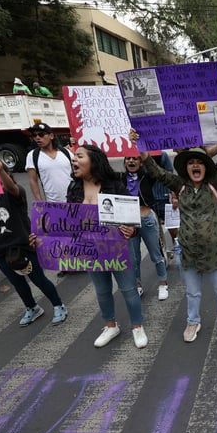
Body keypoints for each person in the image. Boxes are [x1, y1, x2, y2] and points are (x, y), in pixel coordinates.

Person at [136, 120, 217, 343]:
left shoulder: (215, 184)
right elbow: (155, 172)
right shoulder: (179, 185)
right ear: (186, 168)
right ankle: (193, 321)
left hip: (214, 252)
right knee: (192, 293)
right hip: (188, 253)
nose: (195, 165)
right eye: (191, 162)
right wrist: (141, 146)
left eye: (199, 162)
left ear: (205, 166)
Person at [67, 144, 147, 349]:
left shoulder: (115, 184)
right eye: (74, 157)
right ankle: (111, 326)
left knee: (129, 289)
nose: (74, 160)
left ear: (93, 160)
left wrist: (131, 230)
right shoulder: (73, 188)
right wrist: (43, 237)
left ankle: (137, 326)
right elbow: (68, 221)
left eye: (79, 156)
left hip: (117, 249)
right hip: (91, 250)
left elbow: (132, 218)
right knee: (102, 291)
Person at [0, 157, 67, 326]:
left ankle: (59, 305)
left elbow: (13, 189)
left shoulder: (14, 192)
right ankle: (32, 307)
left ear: (7, 174)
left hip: (22, 246)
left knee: (38, 279)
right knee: (18, 283)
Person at [120, 154, 169, 300]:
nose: (131, 160)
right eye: (128, 159)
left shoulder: (147, 176)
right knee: (133, 257)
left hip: (146, 218)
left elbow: (157, 162)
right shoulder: (120, 178)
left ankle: (163, 283)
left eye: (135, 159)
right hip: (129, 222)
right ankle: (137, 285)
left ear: (141, 163)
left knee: (156, 254)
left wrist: (144, 149)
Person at [25, 122, 71, 203]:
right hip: (53, 204)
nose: (37, 138)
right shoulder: (32, 155)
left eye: (41, 134)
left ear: (51, 136)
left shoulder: (66, 152)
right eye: (34, 135)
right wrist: (39, 202)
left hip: (74, 201)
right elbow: (33, 181)